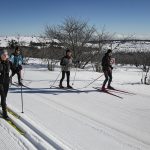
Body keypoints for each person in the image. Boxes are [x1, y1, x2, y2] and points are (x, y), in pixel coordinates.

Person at [0, 49, 10, 119]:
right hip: (0, 82)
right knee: (3, 97)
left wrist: (18, 68)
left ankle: (3, 105)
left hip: (6, 82)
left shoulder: (8, 62)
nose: (5, 56)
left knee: (4, 97)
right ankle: (4, 114)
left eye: (6, 55)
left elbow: (14, 69)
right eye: (3, 55)